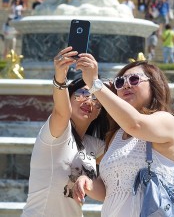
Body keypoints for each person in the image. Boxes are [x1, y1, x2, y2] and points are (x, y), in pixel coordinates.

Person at [73, 57, 174, 217]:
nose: (126, 85)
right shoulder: (116, 135)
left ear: (155, 85)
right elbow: (108, 190)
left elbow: (135, 124)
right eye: (120, 82)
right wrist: (88, 182)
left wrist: (95, 84)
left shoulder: (166, 120)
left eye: (134, 79)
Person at [21, 46, 109, 217]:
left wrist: (87, 182)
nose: (89, 101)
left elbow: (114, 178)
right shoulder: (58, 132)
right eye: (82, 93)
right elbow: (62, 113)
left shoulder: (95, 146)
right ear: (68, 98)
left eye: (96, 99)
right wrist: (60, 77)